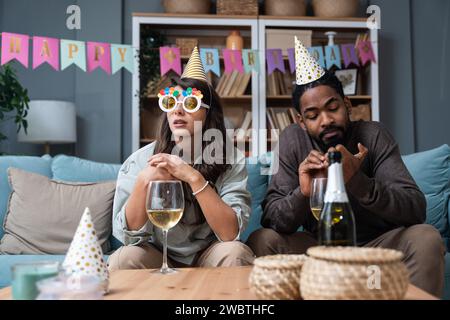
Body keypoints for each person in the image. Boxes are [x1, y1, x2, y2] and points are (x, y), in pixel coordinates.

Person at [246, 37, 446, 297]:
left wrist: (357, 180)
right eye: (313, 115)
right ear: (301, 121)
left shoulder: (373, 135)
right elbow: (273, 218)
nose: (327, 120)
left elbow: (415, 208)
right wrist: (303, 193)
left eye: (333, 108)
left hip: (377, 247)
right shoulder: (292, 140)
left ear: (347, 104)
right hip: (318, 248)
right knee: (262, 239)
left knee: (426, 237)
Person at [108, 47, 254, 270]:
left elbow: (229, 233)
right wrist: (144, 181)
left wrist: (194, 177)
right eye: (171, 102)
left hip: (210, 253)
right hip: (158, 252)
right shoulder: (141, 160)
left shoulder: (231, 159)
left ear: (208, 114)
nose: (177, 111)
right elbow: (128, 238)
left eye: (190, 104)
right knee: (124, 258)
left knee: (235, 252)